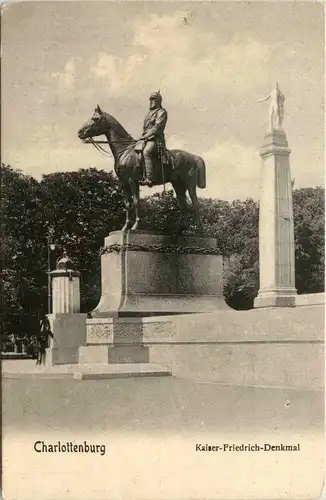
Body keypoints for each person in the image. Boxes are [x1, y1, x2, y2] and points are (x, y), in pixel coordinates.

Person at [135, 91, 168, 187]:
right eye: (150, 99)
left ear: (158, 101)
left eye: (153, 99)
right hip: (146, 139)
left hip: (156, 139)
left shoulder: (162, 112)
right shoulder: (149, 113)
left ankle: (149, 178)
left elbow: (157, 128)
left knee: (146, 152)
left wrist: (145, 136)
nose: (151, 101)